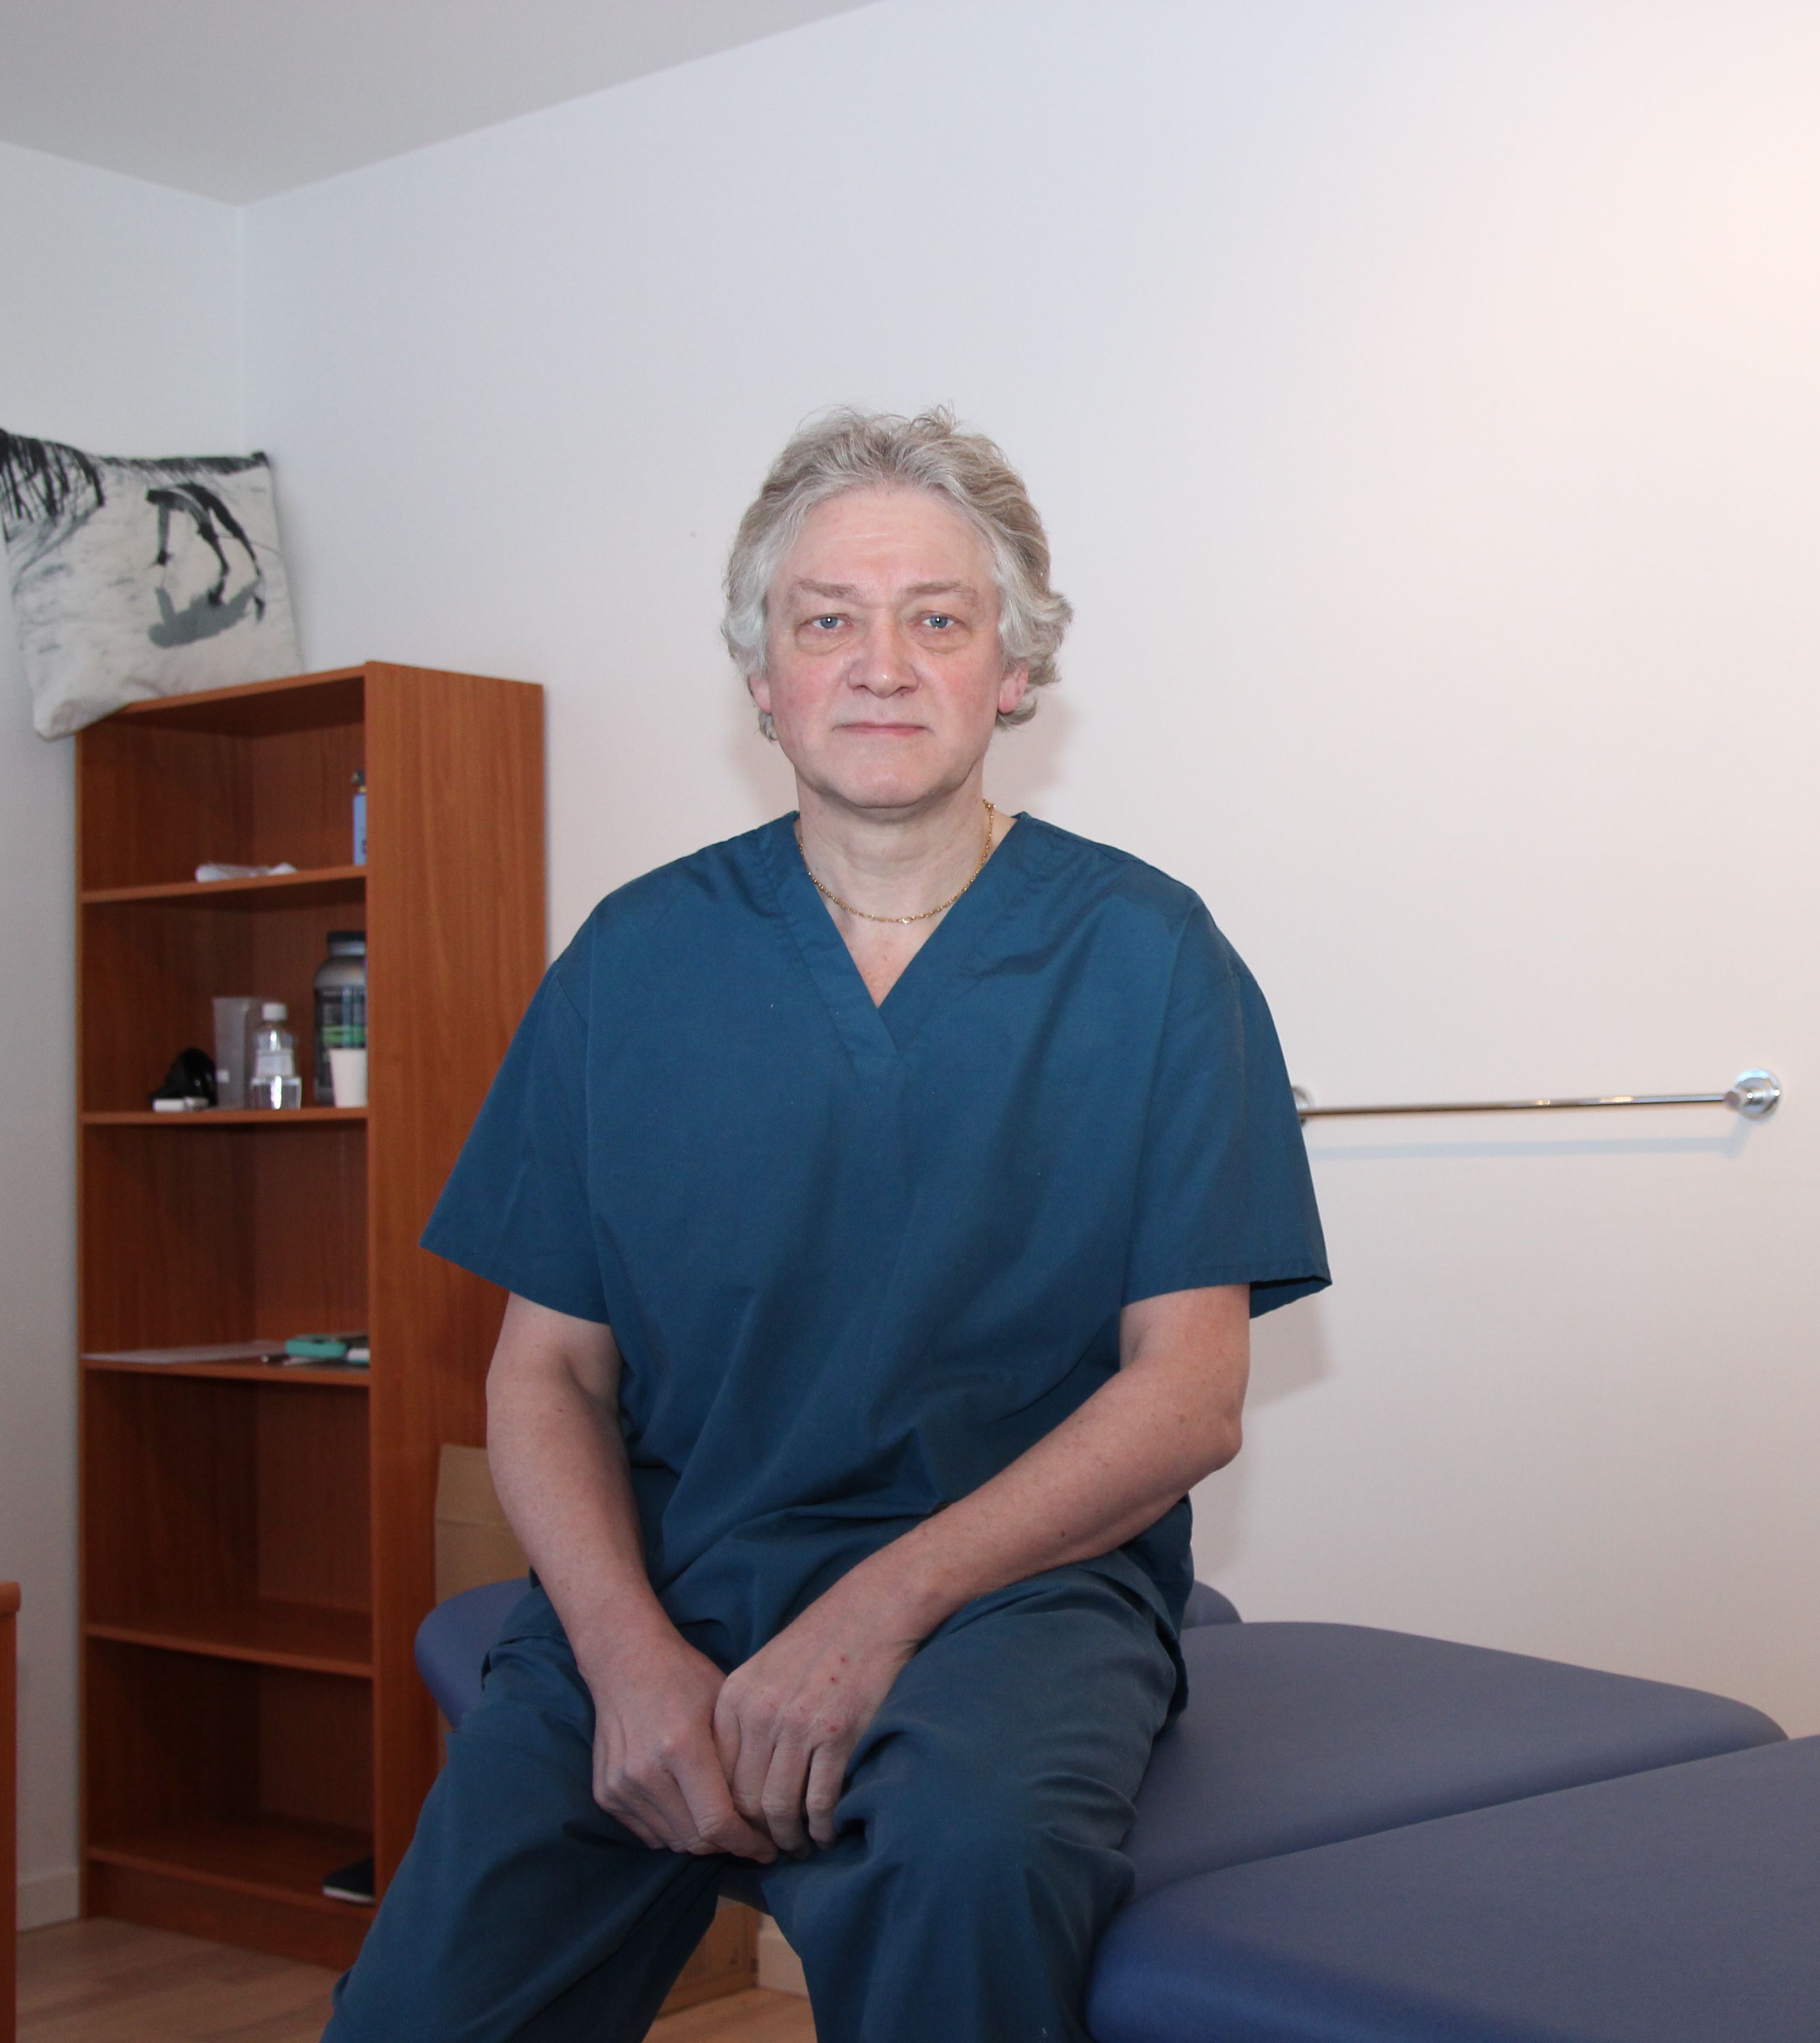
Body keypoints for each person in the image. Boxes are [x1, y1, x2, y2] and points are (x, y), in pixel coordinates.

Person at [323, 408, 1329, 2043]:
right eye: (826, 620)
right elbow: (545, 1375)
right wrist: (625, 1657)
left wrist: (875, 1613)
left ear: (1015, 669)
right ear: (760, 675)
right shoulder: (635, 963)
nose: (881, 665)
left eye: (938, 618)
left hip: (1020, 1599)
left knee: (971, 1860)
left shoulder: (1151, 960)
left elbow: (1188, 1396)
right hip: (675, 1579)